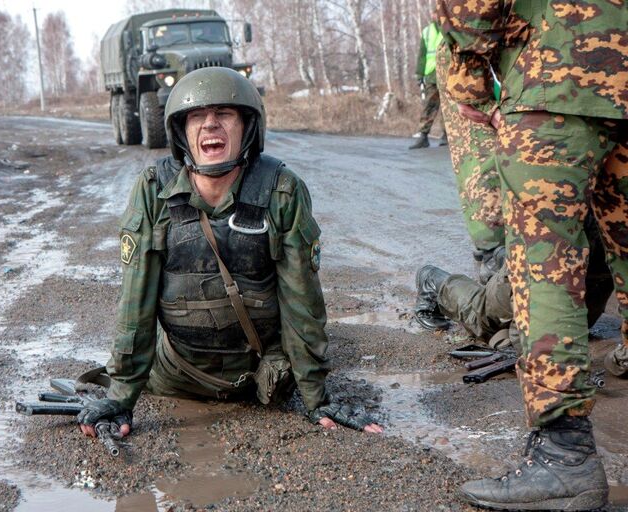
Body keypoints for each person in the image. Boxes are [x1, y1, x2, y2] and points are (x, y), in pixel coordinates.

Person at [76, 67, 383, 440]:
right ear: (181, 132)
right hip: (177, 375)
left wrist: (316, 397)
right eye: (197, 116)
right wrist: (122, 396)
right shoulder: (152, 189)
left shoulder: (282, 191)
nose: (210, 126)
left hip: (264, 380)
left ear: (247, 127)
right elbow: (135, 303)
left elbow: (301, 299)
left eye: (225, 114)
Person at [436, 0, 628, 509]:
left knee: (547, 262)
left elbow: (470, 10)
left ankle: (565, 456)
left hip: (560, 74)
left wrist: (468, 81)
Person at [414, 217, 614, 349]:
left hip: (586, 282)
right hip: (539, 269)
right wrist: (518, 341)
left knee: (571, 331)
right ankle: (432, 281)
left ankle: (502, 258)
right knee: (483, 320)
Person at [434, 42, 504, 270]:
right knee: (482, 159)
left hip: (474, 52)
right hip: (468, 55)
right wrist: (487, 107)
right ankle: (492, 248)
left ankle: (493, 245)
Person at [409, 21, 447, 150]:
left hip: (448, 74)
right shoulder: (427, 31)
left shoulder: (451, 26)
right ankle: (423, 136)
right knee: (429, 106)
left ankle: (447, 136)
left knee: (448, 107)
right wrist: (419, 74)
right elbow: (422, 55)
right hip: (431, 75)